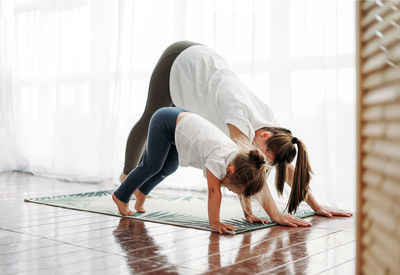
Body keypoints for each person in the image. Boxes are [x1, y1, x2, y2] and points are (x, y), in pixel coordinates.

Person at [121, 41, 352, 226]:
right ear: (264, 138)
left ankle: (139, 185)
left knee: (166, 156)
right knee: (148, 119)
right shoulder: (239, 116)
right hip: (180, 61)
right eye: (266, 158)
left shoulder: (271, 127)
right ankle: (126, 175)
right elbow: (245, 171)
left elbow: (285, 168)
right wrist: (275, 215)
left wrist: (316, 205)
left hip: (199, 74)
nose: (263, 163)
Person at [113, 107, 272, 234]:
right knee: (152, 165)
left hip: (179, 124)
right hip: (165, 121)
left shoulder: (239, 162)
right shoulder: (218, 159)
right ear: (229, 171)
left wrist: (248, 214)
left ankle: (141, 191)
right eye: (232, 189)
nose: (231, 190)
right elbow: (213, 191)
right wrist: (215, 222)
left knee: (169, 167)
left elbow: (244, 189)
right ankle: (121, 195)